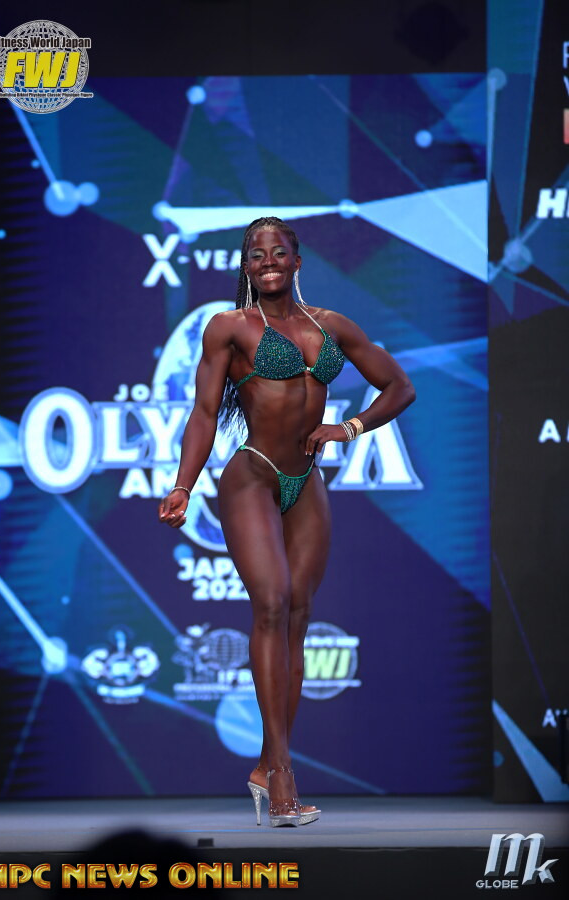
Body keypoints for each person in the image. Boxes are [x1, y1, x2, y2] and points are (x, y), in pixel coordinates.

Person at [159, 217, 415, 826]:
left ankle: (265, 763)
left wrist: (349, 427)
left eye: (278, 252)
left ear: (297, 261)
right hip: (252, 474)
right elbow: (203, 413)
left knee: (298, 616)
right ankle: (281, 775)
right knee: (271, 605)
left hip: (306, 481)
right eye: (257, 254)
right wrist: (183, 484)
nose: (268, 261)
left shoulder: (331, 326)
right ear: (246, 266)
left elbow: (399, 387)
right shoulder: (230, 327)